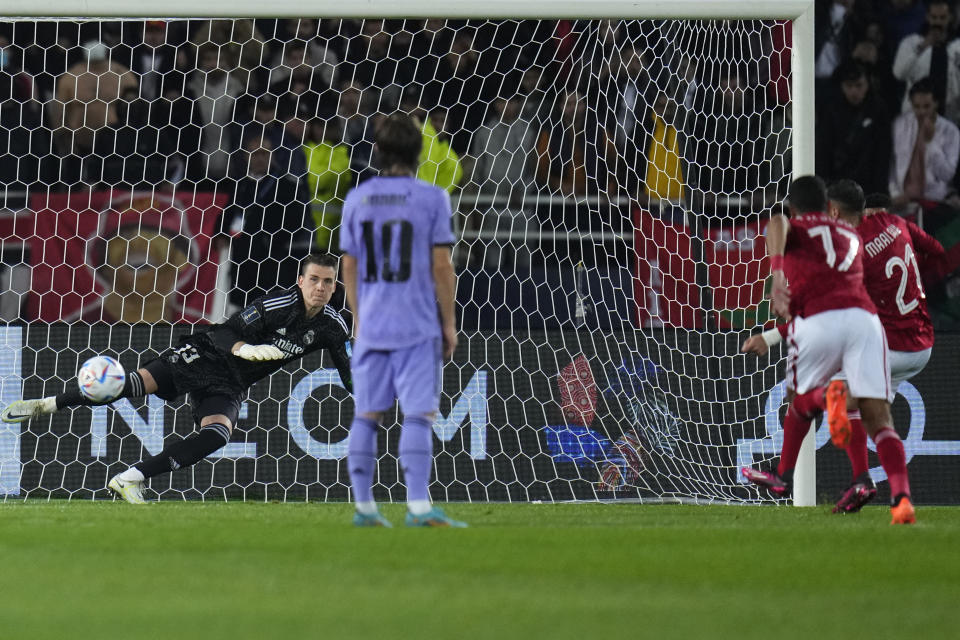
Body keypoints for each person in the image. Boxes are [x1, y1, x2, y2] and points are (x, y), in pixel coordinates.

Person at [1, 254, 352, 504]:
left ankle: (129, 479)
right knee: (128, 386)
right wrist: (245, 349)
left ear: (335, 285)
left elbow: (350, 372)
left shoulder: (332, 326)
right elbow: (227, 331)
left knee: (217, 434)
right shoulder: (277, 304)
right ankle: (46, 404)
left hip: (229, 384)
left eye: (327, 281)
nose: (320, 287)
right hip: (205, 354)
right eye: (314, 279)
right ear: (301, 281)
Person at [744, 183, 943, 515]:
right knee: (878, 418)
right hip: (888, 333)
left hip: (837, 325)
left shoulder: (806, 230)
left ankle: (785, 472)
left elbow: (776, 223)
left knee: (803, 397)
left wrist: (778, 278)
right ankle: (898, 497)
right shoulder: (869, 231)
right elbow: (934, 249)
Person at [339, 112, 464, 528]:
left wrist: (358, 318)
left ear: (377, 151)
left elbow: (349, 266)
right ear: (419, 152)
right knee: (417, 416)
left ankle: (365, 509)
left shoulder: (357, 198)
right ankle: (418, 508)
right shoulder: (433, 198)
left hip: (373, 324)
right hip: (416, 324)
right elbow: (441, 266)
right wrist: (449, 323)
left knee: (366, 415)